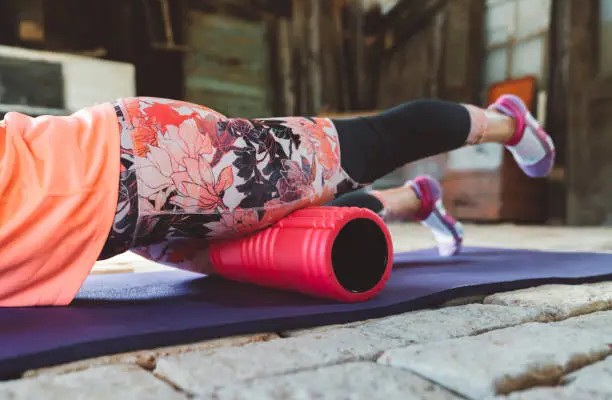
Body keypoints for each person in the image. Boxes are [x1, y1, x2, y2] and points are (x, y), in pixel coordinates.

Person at [0, 94, 555, 306]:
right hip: (114, 227)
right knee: (293, 238)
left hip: (151, 161)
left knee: (368, 143)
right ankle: (412, 201)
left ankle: (508, 123)